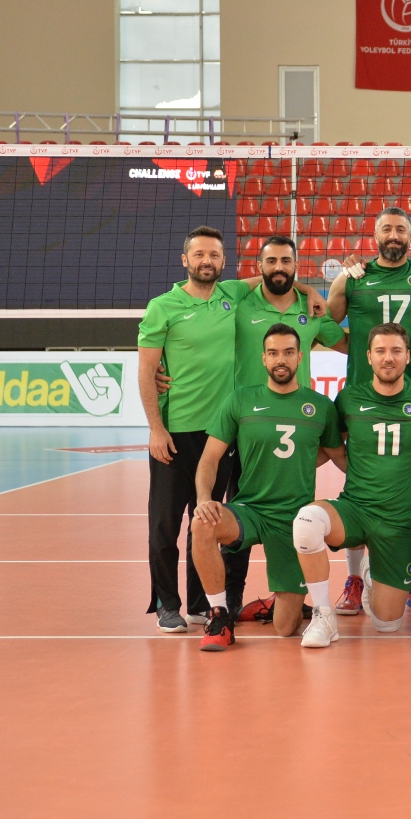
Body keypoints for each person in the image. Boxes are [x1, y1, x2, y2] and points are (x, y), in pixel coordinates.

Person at [137, 226, 325, 632]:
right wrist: (156, 429)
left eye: (214, 255)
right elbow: (146, 370)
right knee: (165, 525)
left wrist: (310, 288)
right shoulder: (162, 307)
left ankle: (201, 604)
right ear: (185, 260)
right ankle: (166, 603)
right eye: (199, 254)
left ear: (224, 262)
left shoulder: (231, 294)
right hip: (175, 431)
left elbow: (274, 276)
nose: (206, 261)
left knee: (205, 518)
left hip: (221, 434)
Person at [327, 207, 411, 617]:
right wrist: (358, 350)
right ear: (375, 235)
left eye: (401, 229)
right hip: (360, 393)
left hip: (410, 394)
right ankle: (353, 579)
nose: (394, 235)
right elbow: (325, 325)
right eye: (387, 228)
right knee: (357, 485)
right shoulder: (353, 277)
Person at [188, 324, 344, 650]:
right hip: (250, 509)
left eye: (288, 352)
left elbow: (336, 455)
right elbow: (209, 458)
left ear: (300, 357)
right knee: (202, 523)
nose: (280, 359)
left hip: (294, 519)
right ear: (263, 358)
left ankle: (280, 602)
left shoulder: (320, 406)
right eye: (273, 353)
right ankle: (220, 616)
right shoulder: (241, 400)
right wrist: (204, 498)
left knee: (285, 629)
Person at [290, 323, 411, 648]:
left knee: (387, 625)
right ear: (369, 356)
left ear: (408, 356)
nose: (389, 358)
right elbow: (333, 448)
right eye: (381, 351)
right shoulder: (349, 398)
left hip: (397, 524)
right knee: (306, 520)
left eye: (396, 351)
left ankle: (373, 573)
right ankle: (323, 616)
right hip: (356, 509)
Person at [217, 236, 348, 618]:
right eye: (271, 261)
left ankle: (292, 593)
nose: (279, 267)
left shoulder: (312, 311)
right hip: (248, 425)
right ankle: (231, 599)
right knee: (238, 512)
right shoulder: (241, 303)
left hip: (297, 423)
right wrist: (307, 287)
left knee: (295, 516)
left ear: (296, 264)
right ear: (259, 266)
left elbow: (345, 344)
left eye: (286, 261)